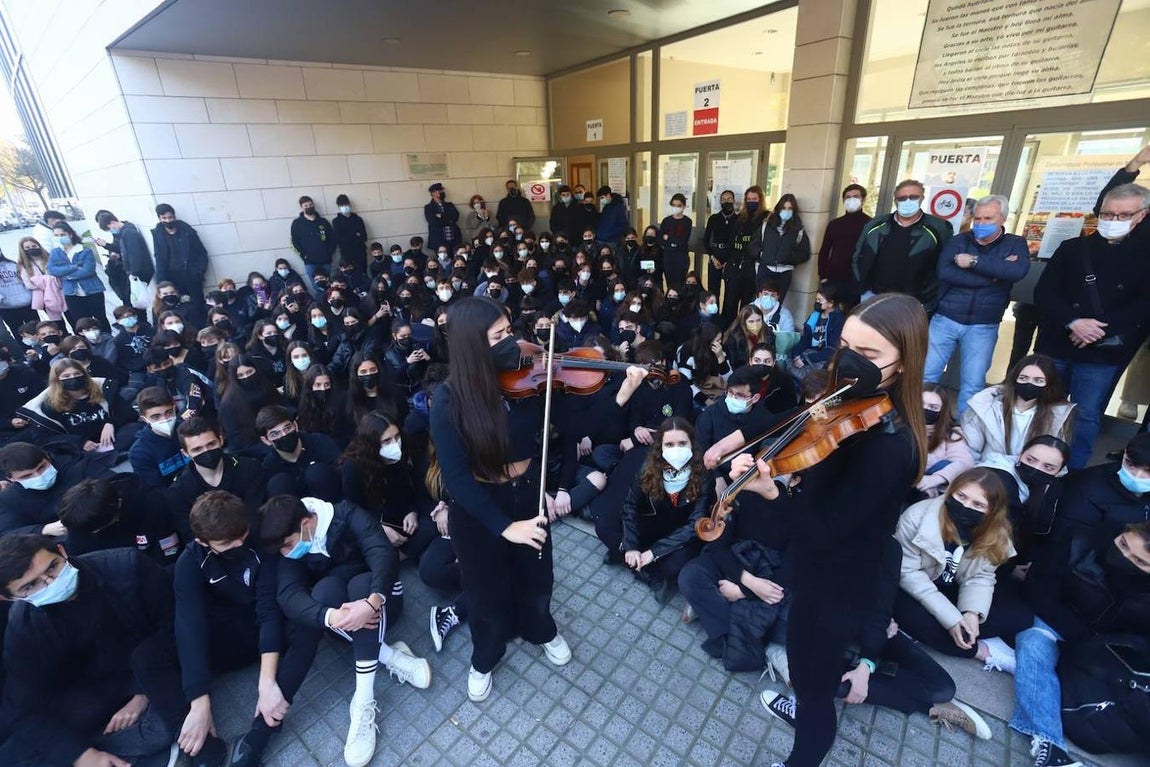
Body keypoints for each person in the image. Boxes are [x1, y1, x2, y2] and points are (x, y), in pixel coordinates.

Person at [731, 293, 928, 767]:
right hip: (817, 569)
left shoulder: (890, 446)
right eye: (845, 345)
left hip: (837, 581)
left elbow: (824, 530)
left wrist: (776, 492)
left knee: (812, 684)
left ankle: (804, 752)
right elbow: (809, 436)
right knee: (805, 665)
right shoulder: (854, 403)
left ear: (903, 364)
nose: (851, 362)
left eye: (871, 354)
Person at [429, 297, 573, 702]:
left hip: (526, 491)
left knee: (537, 574)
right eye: (500, 336)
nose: (514, 342)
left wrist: (624, 386)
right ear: (473, 344)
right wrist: (506, 527)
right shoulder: (449, 399)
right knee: (485, 589)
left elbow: (576, 421)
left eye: (511, 331)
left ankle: (540, 628)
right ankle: (486, 654)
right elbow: (456, 478)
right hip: (478, 508)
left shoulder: (529, 378)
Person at [0, 535, 211, 767]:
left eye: (53, 567)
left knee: (161, 727)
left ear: (62, 551)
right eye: (31, 585)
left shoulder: (128, 567)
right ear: (8, 597)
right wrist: (81, 755)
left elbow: (178, 629)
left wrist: (143, 692)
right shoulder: (24, 627)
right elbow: (23, 705)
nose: (50, 582)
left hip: (152, 671)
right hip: (91, 695)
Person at [760, 537, 992, 741]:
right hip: (807, 630)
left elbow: (881, 607)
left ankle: (928, 700)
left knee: (943, 687)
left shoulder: (888, 547)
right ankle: (926, 706)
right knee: (834, 683)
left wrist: (866, 663)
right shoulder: (817, 527)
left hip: (862, 627)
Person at [258, 494, 430, 767]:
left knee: (361, 587)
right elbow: (288, 595)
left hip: (384, 598)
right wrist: (329, 615)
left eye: (288, 545)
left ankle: (362, 701)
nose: (286, 553)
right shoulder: (290, 544)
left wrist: (373, 601)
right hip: (345, 623)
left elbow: (381, 550)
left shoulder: (346, 513)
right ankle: (388, 655)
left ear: (305, 523)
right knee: (324, 592)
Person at [174, 491, 319, 767]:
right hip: (229, 633)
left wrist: (266, 684)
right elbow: (189, 625)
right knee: (164, 648)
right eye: (228, 542)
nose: (240, 544)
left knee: (307, 624)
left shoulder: (260, 539)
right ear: (202, 542)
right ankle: (197, 737)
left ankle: (257, 736)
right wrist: (199, 699)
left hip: (269, 625)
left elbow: (269, 609)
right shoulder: (190, 562)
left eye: (242, 535)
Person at [1013, 520, 1150, 767]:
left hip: (1105, 652)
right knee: (1032, 645)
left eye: (1140, 562)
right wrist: (1080, 640)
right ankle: (1050, 747)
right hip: (1057, 626)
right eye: (1123, 544)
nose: (1124, 556)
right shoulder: (1079, 540)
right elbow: (1038, 590)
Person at [1033, 182, 1150, 468]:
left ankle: (1071, 471)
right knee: (1042, 407)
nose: (1113, 221)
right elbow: (1045, 293)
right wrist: (1074, 322)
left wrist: (1097, 330)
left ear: (1142, 216)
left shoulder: (1144, 256)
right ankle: (1032, 461)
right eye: (1108, 214)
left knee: (1085, 415)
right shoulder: (1074, 248)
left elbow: (1143, 305)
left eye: (1123, 215)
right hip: (1057, 344)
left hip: (1102, 352)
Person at [894, 468, 1032, 669]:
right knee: (910, 614)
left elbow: (980, 577)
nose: (965, 506)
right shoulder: (917, 517)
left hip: (951, 588)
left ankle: (949, 635)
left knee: (1021, 616)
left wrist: (971, 613)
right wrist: (951, 619)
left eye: (978, 504)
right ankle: (979, 651)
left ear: (992, 510)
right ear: (951, 491)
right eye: (961, 496)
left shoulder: (996, 533)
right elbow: (907, 573)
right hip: (916, 587)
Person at [926, 195, 1031, 409]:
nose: (981, 224)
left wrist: (974, 261)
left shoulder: (1015, 243)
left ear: (1002, 218)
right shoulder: (959, 241)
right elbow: (945, 273)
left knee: (972, 384)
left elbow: (1017, 271)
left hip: (983, 324)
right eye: (978, 219)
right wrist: (994, 274)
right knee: (926, 376)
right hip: (946, 317)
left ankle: (964, 433)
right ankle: (918, 423)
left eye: (988, 219)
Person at [618, 417, 712, 603]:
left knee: (678, 564)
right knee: (615, 535)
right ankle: (637, 563)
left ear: (692, 443)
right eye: (669, 444)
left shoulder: (703, 475)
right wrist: (631, 546)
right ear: (660, 446)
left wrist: (654, 552)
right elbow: (630, 506)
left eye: (682, 443)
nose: (676, 449)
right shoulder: (648, 467)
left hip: (681, 534)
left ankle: (643, 569)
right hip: (653, 524)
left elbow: (695, 524)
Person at [341, 412, 436, 560]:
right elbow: (354, 510)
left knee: (429, 525)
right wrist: (379, 529)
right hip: (372, 521)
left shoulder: (401, 455)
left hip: (399, 516)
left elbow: (407, 491)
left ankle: (399, 556)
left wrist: (412, 512)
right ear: (372, 444)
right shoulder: (353, 467)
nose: (395, 444)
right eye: (386, 441)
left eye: (396, 437)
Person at [852, 178, 953, 311]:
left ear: (922, 198)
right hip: (873, 295)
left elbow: (944, 266)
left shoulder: (939, 228)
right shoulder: (876, 225)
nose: (907, 201)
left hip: (912, 301)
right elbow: (857, 255)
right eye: (902, 198)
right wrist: (861, 285)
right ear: (895, 200)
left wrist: (928, 297)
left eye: (913, 197)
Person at [961, 354, 1074, 464]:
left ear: (1049, 385)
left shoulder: (1057, 416)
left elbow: (1056, 460)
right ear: (1014, 379)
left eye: (1038, 380)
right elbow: (969, 450)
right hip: (986, 471)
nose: (1029, 384)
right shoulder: (985, 406)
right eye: (1023, 378)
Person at [57, 474, 182, 564]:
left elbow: (169, 555)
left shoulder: (151, 505)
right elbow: (77, 552)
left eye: (95, 530)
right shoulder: (79, 517)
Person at [0, 441, 115, 536]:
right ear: (11, 478)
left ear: (48, 458)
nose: (38, 476)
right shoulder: (9, 500)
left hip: (106, 518)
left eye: (41, 467)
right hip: (63, 540)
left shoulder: (76, 466)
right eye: (27, 476)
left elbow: (117, 482)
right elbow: (8, 532)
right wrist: (44, 529)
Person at [258, 405, 342, 501]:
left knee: (317, 472)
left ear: (296, 426)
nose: (284, 435)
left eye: (287, 428)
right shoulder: (269, 466)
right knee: (278, 483)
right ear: (266, 441)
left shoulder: (319, 442)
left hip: (334, 505)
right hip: (297, 511)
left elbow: (342, 472)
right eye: (275, 434)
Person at [914, 383, 975, 501]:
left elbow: (965, 462)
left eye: (933, 407)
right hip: (902, 483)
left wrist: (935, 479)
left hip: (930, 488)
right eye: (921, 404)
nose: (925, 409)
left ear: (942, 411)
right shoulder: (899, 427)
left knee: (944, 465)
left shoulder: (950, 435)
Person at [151, 204, 208, 328]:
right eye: (164, 218)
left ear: (174, 216)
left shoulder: (187, 231)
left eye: (170, 217)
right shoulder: (158, 234)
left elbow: (201, 253)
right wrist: (161, 282)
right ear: (159, 218)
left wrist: (199, 271)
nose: (168, 220)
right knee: (175, 308)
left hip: (191, 275)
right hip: (172, 277)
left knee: (198, 306)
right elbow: (159, 258)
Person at [47, 220, 110, 333]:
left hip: (92, 290)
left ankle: (107, 340)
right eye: (56, 235)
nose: (60, 237)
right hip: (72, 293)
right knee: (80, 322)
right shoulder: (55, 252)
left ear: (70, 234)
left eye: (62, 234)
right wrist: (74, 267)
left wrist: (66, 275)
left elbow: (88, 270)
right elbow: (52, 270)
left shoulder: (84, 250)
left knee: (100, 318)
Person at [722, 186, 769, 324]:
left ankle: (743, 333)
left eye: (754, 199)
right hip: (735, 267)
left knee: (747, 304)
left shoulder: (765, 219)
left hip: (751, 269)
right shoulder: (740, 218)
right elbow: (732, 241)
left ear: (760, 200)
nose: (751, 202)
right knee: (730, 303)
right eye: (748, 199)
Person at [128, 386, 191, 488]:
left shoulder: (189, 430)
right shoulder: (139, 453)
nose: (165, 419)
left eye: (169, 413)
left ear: (175, 408)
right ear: (144, 419)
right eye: (156, 417)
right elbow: (155, 491)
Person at [94, 210, 154, 311]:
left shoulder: (128, 233)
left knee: (135, 302)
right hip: (135, 272)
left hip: (138, 273)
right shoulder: (124, 232)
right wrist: (106, 245)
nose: (111, 231)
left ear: (112, 222)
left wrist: (133, 273)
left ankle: (141, 322)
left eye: (109, 229)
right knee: (134, 301)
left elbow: (135, 254)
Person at [757, 194, 810, 301]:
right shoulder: (767, 225)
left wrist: (788, 258)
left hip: (784, 273)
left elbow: (804, 253)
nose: (786, 211)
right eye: (784, 208)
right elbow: (754, 245)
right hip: (766, 270)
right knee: (761, 302)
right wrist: (762, 255)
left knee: (777, 303)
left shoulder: (798, 229)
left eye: (790, 208)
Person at [817, 184, 871, 285]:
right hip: (833, 278)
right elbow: (824, 251)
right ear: (843, 201)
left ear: (863, 200)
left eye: (855, 197)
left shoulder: (871, 224)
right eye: (848, 197)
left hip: (859, 281)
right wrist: (822, 276)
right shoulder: (835, 224)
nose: (851, 200)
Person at [290, 196, 336, 293]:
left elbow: (332, 239)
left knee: (328, 285)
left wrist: (329, 253)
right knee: (317, 287)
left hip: (326, 260)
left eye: (310, 205)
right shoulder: (297, 223)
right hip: (310, 262)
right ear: (301, 207)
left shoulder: (323, 222)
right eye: (306, 205)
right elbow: (295, 242)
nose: (309, 207)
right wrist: (304, 255)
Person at [703, 189, 740, 297]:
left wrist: (729, 260)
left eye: (729, 199)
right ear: (720, 202)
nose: (726, 202)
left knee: (730, 292)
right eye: (723, 199)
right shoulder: (713, 218)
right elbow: (706, 240)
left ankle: (726, 314)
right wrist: (712, 257)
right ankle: (713, 312)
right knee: (713, 290)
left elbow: (739, 242)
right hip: (715, 256)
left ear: (734, 201)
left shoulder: (738, 220)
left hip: (731, 258)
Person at [0, 248, 37, 338]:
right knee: (18, 332)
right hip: (7, 307)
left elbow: (26, 281)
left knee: (36, 328)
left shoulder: (13, 264)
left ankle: (44, 349)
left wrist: (31, 296)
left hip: (27, 303)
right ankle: (27, 351)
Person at [659, 193, 694, 288]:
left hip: (681, 257)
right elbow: (661, 240)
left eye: (679, 205)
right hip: (668, 257)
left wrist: (669, 238)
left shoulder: (687, 221)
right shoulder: (666, 221)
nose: (676, 207)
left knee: (680, 285)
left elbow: (683, 241)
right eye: (674, 205)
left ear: (684, 206)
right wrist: (673, 241)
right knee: (670, 284)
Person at [332, 193, 367, 272]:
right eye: (342, 205)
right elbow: (339, 239)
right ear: (338, 207)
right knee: (350, 274)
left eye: (346, 204)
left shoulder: (358, 219)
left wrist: (348, 236)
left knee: (363, 272)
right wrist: (355, 234)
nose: (344, 207)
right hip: (346, 254)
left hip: (360, 252)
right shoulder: (336, 221)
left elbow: (364, 237)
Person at [424, 182, 461, 253]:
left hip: (453, 239)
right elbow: (433, 222)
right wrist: (449, 219)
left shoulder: (450, 205)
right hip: (439, 240)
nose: (442, 193)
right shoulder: (428, 208)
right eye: (440, 191)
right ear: (433, 193)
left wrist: (441, 216)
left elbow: (455, 217)